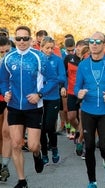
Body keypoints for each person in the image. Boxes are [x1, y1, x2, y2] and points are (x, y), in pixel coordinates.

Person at [0, 25, 57, 188]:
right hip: (14, 107)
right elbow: (2, 81)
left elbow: (53, 80)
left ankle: (37, 154)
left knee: (32, 145)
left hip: (33, 107)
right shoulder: (8, 58)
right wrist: (5, 93)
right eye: (18, 38)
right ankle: (22, 180)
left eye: (25, 38)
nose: (22, 41)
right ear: (14, 40)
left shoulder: (39, 57)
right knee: (16, 143)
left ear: (31, 39)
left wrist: (39, 94)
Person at [74, 31, 105, 188]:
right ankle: (92, 181)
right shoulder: (83, 65)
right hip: (88, 111)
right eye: (92, 41)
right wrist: (78, 92)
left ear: (104, 45)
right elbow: (76, 86)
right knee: (88, 147)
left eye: (98, 41)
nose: (94, 44)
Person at [39, 36, 67, 165]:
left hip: (53, 97)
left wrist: (51, 79)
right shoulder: (37, 59)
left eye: (52, 48)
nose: (50, 50)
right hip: (38, 98)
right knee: (41, 127)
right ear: (41, 47)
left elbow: (62, 77)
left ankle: (54, 148)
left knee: (49, 126)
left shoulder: (57, 60)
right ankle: (44, 153)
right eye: (47, 48)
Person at [0, 36, 12, 182]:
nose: (4, 54)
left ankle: (5, 166)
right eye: (1, 52)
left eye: (7, 51)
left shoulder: (15, 59)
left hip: (10, 99)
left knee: (6, 132)